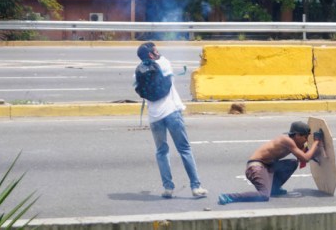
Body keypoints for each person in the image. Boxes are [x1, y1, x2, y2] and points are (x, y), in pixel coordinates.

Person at [136, 42, 208, 199]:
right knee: (184, 149)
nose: (158, 51)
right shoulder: (164, 62)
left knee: (162, 152)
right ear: (150, 54)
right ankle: (196, 187)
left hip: (154, 117)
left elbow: (139, 90)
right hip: (172, 113)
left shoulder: (138, 70)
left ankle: (168, 188)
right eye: (155, 50)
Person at [218, 121, 323, 205]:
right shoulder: (287, 141)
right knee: (263, 195)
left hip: (267, 166)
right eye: (305, 137)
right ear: (297, 135)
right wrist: (316, 142)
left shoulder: (294, 143)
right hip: (256, 167)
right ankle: (229, 196)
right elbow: (305, 158)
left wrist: (317, 151)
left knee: (292, 163)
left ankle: (274, 188)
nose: (306, 141)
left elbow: (304, 157)